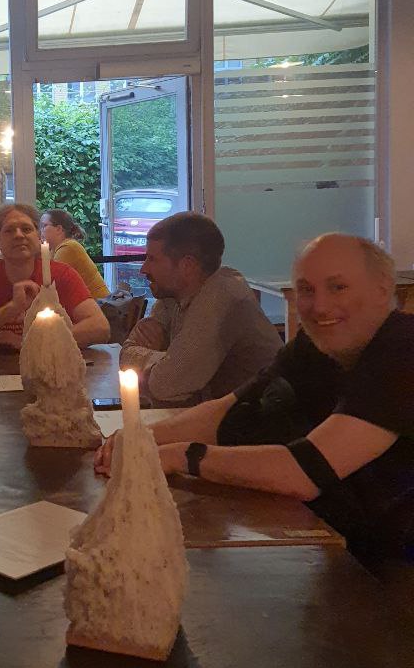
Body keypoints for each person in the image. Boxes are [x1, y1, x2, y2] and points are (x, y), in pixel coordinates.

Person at [97, 234, 414, 558]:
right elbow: (227, 410)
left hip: (395, 568)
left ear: (382, 289)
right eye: (306, 290)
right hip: (339, 545)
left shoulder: (404, 350)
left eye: (338, 287)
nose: (319, 306)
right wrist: (139, 437)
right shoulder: (316, 345)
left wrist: (183, 455)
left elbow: (304, 472)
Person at [119, 211, 281, 405]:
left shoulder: (220, 297)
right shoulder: (173, 296)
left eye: (152, 259)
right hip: (221, 414)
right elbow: (126, 354)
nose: (143, 269)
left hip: (264, 419)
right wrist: (165, 360)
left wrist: (162, 360)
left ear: (187, 265)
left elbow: (164, 385)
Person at [0, 202, 110, 352]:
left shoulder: (62, 274)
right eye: (9, 230)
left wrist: (30, 342)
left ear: (38, 238)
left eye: (26, 229)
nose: (19, 235)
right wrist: (11, 308)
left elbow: (100, 327)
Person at [40, 208, 110, 299]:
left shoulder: (68, 248)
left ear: (59, 229)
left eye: (44, 226)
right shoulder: (54, 249)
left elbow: (51, 284)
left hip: (98, 304)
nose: (40, 230)